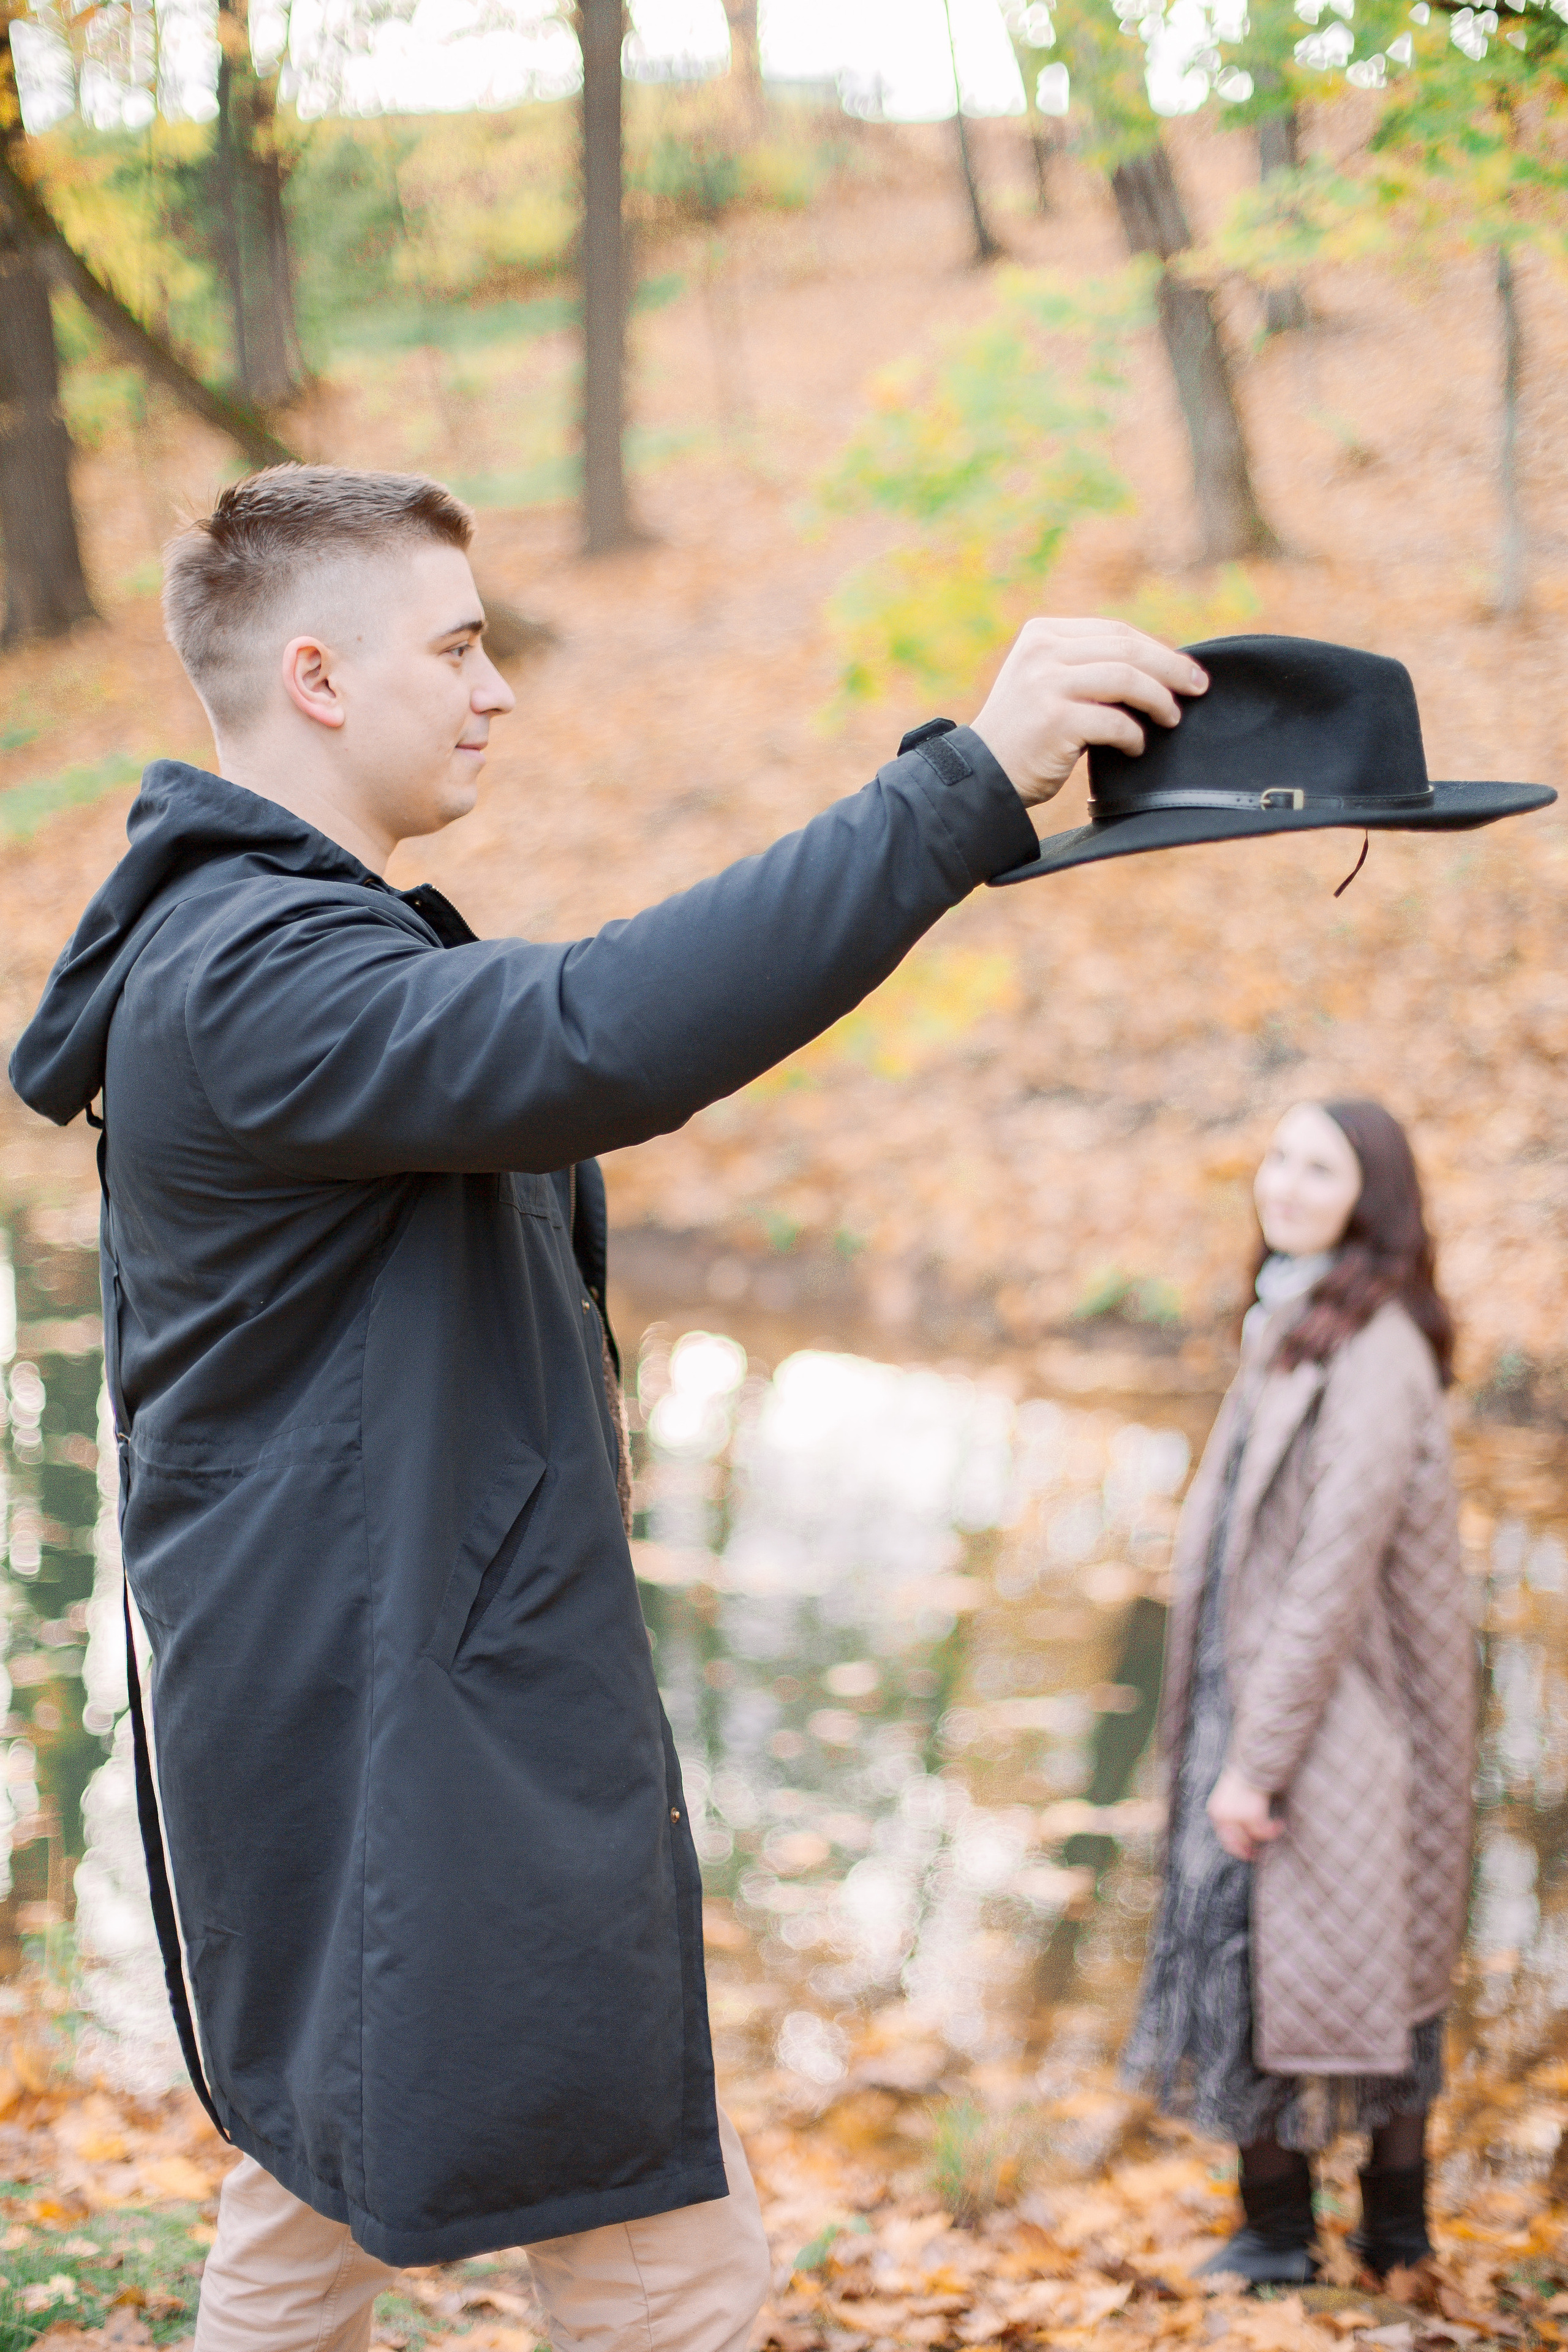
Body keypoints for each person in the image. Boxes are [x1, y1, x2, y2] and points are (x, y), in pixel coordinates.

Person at [6, 463, 1208, 2352]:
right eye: (462, 647)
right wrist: (965, 785)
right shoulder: (251, 972)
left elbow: (557, 1060)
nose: (498, 690)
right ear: (317, 677)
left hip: (363, 1717)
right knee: (666, 2267)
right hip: (408, 1738)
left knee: (300, 2211)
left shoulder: (279, 948)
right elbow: (596, 1036)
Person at [1122, 1098, 1476, 2286]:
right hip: (1272, 1689)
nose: (1280, 1182)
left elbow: (1330, 1572)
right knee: (1323, 1954)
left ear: (1369, 1198)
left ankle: (1311, 2234)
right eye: (1275, 1157)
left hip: (1343, 1717)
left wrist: (1253, 1761)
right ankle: (1363, 2232)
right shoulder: (1293, 1315)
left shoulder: (1375, 1352)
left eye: (1315, 1166)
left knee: (1298, 1951)